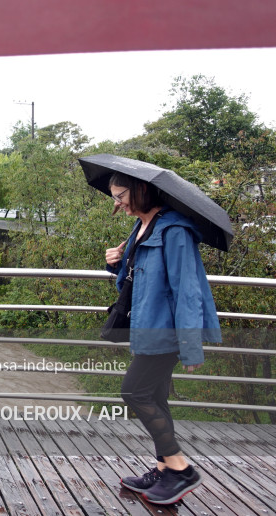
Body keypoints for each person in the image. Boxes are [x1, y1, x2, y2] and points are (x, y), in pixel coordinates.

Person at [103, 171, 222, 505]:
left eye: (120, 195)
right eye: (113, 197)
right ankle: (163, 469)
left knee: (133, 391)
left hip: (166, 330)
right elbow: (136, 280)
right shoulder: (141, 226)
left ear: (141, 189)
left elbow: (187, 291)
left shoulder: (175, 231)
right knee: (155, 396)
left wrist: (190, 347)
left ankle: (181, 468)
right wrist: (115, 264)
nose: (117, 203)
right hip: (146, 324)